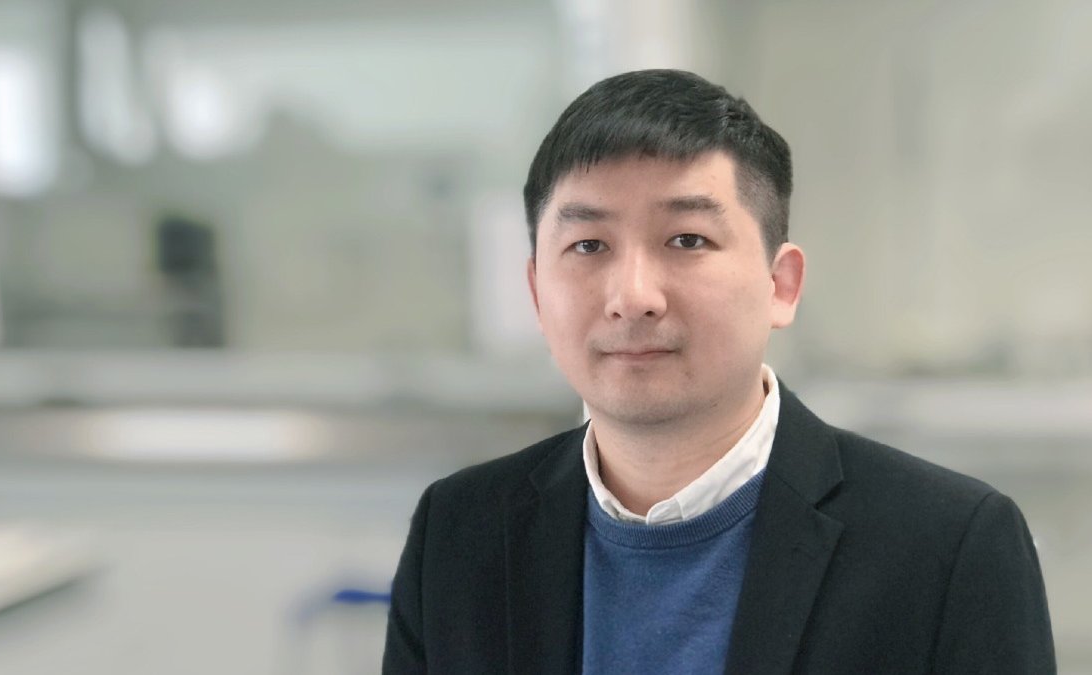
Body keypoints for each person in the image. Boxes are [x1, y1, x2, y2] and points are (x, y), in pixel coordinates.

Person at [383, 69, 1055, 674]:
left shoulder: (948, 544)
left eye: (686, 240)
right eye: (588, 245)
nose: (633, 295)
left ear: (781, 283)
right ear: (536, 292)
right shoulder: (460, 530)